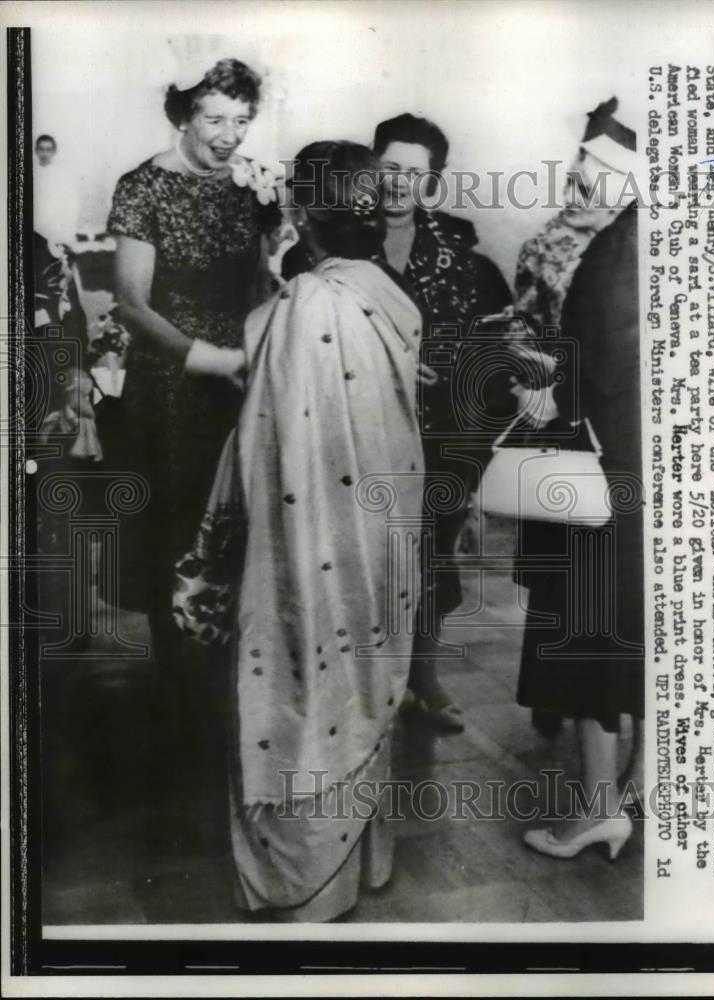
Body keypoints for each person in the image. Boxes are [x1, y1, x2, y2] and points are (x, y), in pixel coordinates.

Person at [175, 141, 424, 920]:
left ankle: (303, 886)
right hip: (380, 528)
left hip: (307, 527)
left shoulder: (309, 306)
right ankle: (361, 863)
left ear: (298, 212)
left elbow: (263, 431)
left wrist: (221, 531)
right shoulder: (383, 291)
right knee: (364, 669)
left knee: (305, 671)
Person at [107, 57, 280, 650]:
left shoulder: (252, 187)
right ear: (183, 115)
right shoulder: (142, 186)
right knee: (175, 535)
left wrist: (253, 356)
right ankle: (177, 691)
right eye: (214, 119)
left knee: (237, 531)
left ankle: (227, 684)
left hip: (240, 384)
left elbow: (262, 284)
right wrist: (210, 358)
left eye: (241, 120)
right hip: (169, 389)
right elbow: (131, 304)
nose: (229, 136)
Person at [514, 101, 644, 859]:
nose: (578, 174)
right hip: (652, 476)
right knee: (638, 636)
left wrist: (549, 392)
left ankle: (599, 809)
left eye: (591, 162)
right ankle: (644, 784)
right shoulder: (667, 239)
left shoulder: (607, 254)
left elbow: (600, 372)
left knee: (589, 635)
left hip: (602, 476)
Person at [373, 113, 512, 731]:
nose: (398, 182)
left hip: (442, 439)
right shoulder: (332, 242)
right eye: (389, 167)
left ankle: (424, 680)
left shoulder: (464, 256)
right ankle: (363, 689)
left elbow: (497, 355)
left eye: (413, 172)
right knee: (361, 558)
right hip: (360, 432)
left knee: (429, 556)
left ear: (432, 182)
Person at [34, 134, 79, 248]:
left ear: (54, 152)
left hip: (55, 231)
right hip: (35, 230)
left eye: (48, 150)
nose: (44, 153)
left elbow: (71, 205)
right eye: (41, 149)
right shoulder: (31, 173)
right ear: (36, 151)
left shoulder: (62, 175)